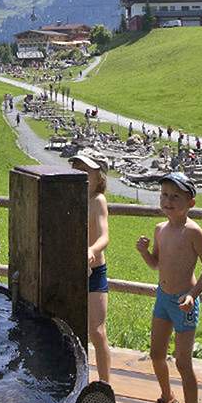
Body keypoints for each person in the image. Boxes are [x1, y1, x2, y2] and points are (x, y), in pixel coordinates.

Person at [134, 171, 202, 403]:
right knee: (156, 354)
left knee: (183, 363)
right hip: (163, 299)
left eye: (175, 196)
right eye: (164, 195)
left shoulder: (193, 231)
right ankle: (168, 398)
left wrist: (193, 295)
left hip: (184, 303)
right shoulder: (160, 229)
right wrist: (144, 252)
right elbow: (157, 264)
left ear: (190, 202)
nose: (168, 201)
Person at [71, 152, 111, 383]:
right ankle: (76, 382)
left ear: (98, 176)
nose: (81, 174)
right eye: (77, 168)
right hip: (72, 271)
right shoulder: (69, 196)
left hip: (94, 271)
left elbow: (104, 236)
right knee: (71, 330)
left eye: (86, 170)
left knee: (96, 331)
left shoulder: (98, 200)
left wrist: (91, 250)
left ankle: (105, 385)